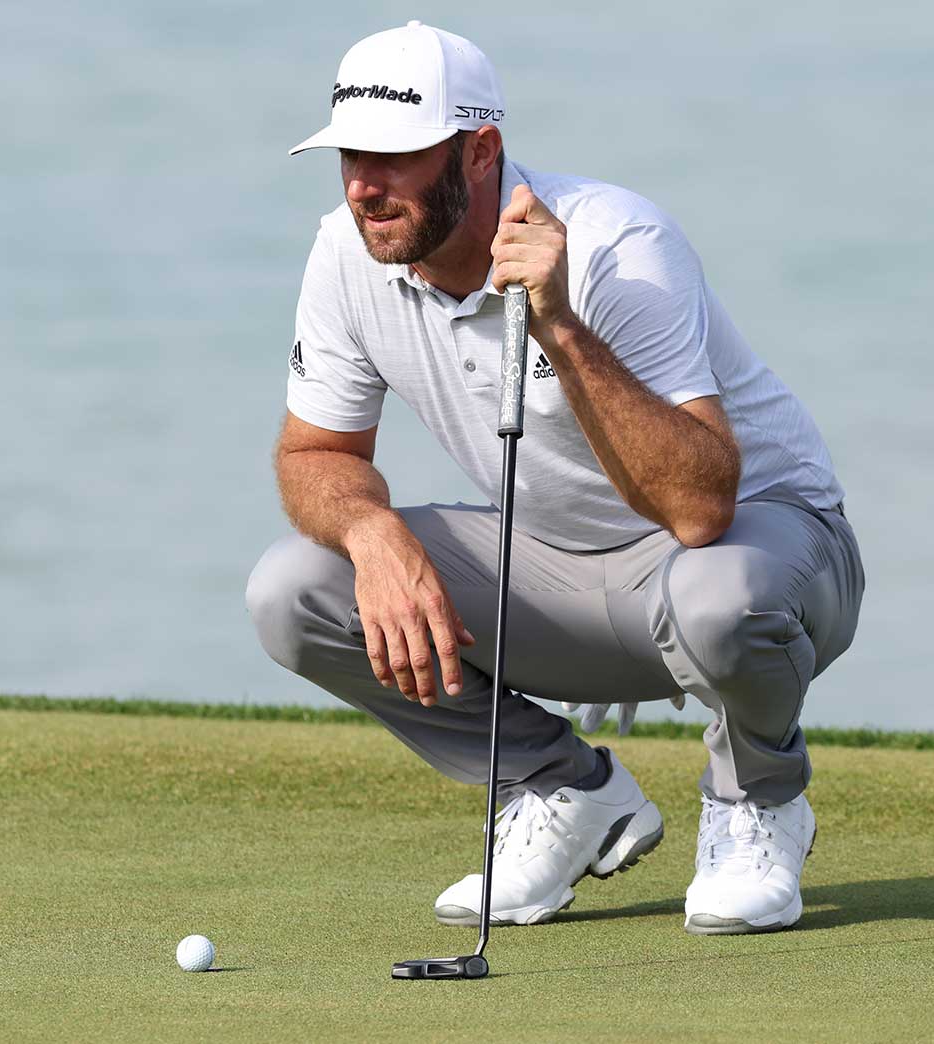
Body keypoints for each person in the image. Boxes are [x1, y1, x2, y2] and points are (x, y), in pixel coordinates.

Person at [246, 21, 865, 935]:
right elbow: (316, 456)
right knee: (297, 590)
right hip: (568, 573)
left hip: (766, 557)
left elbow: (702, 509)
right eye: (349, 156)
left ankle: (758, 801)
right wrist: (374, 539)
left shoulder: (617, 242)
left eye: (396, 157)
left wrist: (563, 329)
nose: (365, 186)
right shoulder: (347, 251)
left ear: (480, 148)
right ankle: (568, 791)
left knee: (717, 597)